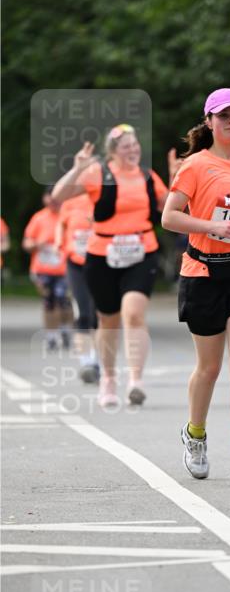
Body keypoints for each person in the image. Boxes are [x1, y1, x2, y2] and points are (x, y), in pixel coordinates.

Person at [161, 88, 230, 480]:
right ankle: (195, 433)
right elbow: (170, 218)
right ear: (209, 121)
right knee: (208, 368)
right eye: (223, 115)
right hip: (203, 272)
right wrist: (211, 226)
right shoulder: (194, 166)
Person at [52, 124, 169, 408]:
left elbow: (170, 206)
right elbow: (59, 195)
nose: (133, 150)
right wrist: (78, 168)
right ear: (113, 151)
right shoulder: (98, 174)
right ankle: (108, 378)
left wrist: (176, 177)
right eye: (126, 146)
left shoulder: (147, 176)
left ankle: (136, 381)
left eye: (135, 145)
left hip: (141, 253)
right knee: (108, 319)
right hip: (102, 255)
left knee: (134, 313)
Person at [55, 192, 99, 383]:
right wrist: (59, 243)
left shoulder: (105, 199)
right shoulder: (70, 203)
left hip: (101, 263)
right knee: (83, 313)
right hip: (76, 264)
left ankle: (97, 360)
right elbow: (61, 226)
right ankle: (85, 362)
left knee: (99, 314)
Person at [22, 189, 72, 351]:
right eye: (50, 199)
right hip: (43, 269)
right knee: (49, 301)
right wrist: (37, 245)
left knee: (63, 300)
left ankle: (65, 328)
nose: (53, 203)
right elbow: (27, 243)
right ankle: (51, 336)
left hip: (64, 268)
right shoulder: (39, 218)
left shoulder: (68, 216)